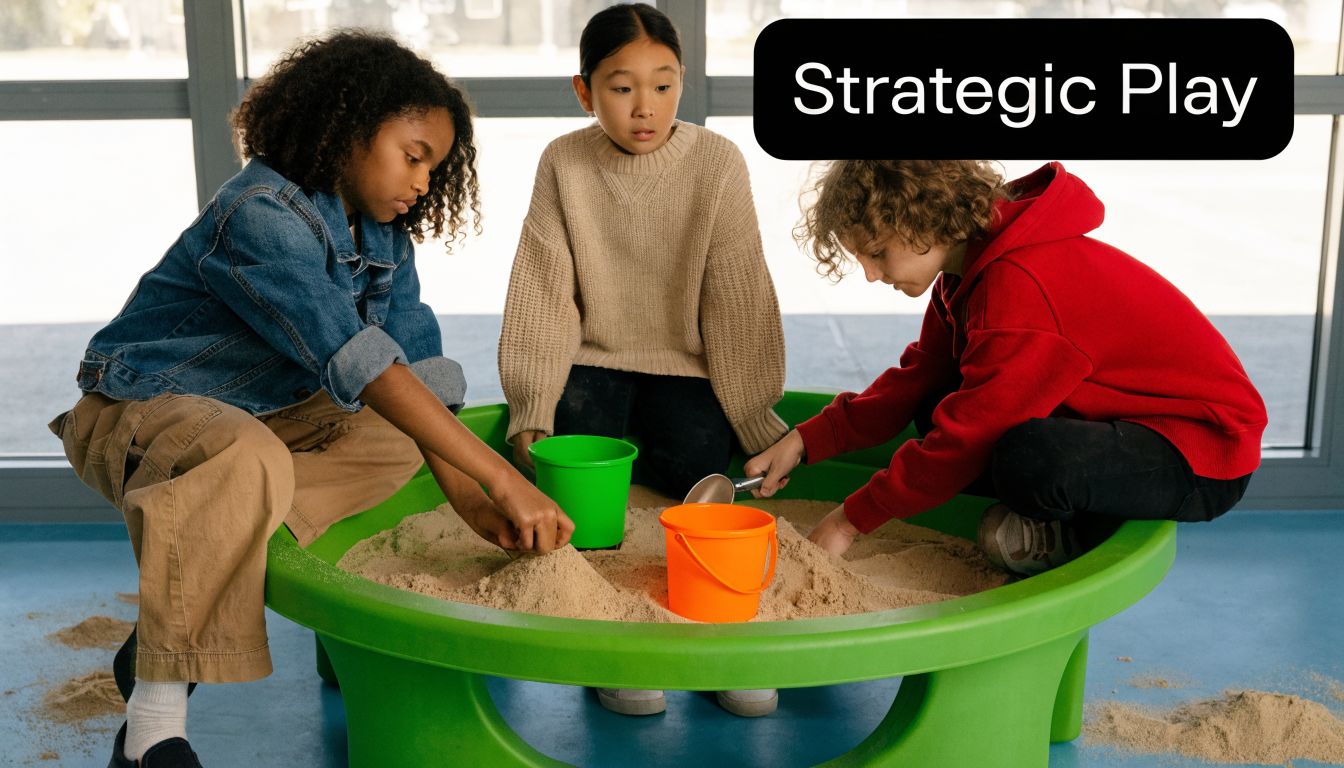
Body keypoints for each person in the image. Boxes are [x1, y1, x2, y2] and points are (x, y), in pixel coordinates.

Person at [49, 30, 573, 768]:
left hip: (268, 422)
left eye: (437, 167)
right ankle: (152, 728)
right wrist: (503, 475)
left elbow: (416, 372)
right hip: (142, 410)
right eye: (413, 154)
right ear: (348, 127)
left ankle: (203, 559)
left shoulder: (386, 239)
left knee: (403, 433)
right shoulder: (259, 212)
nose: (424, 181)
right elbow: (358, 361)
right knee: (246, 457)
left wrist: (471, 503)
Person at [747, 160, 1267, 576]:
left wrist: (848, 522)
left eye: (878, 254)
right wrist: (807, 440)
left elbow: (970, 437)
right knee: (936, 403)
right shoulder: (965, 271)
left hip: (1198, 450)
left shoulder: (1018, 286)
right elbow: (919, 378)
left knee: (1030, 459)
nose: (868, 275)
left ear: (923, 219)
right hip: (1116, 417)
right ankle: (1055, 506)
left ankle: (1069, 540)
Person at [497, 3, 787, 718]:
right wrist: (532, 404)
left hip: (685, 369)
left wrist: (756, 420)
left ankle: (724, 643)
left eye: (663, 85)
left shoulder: (717, 163)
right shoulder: (564, 161)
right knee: (585, 508)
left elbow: (738, 295)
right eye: (622, 87)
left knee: (703, 491)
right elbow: (543, 288)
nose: (644, 107)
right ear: (583, 90)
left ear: (683, 82)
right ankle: (615, 651)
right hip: (590, 364)